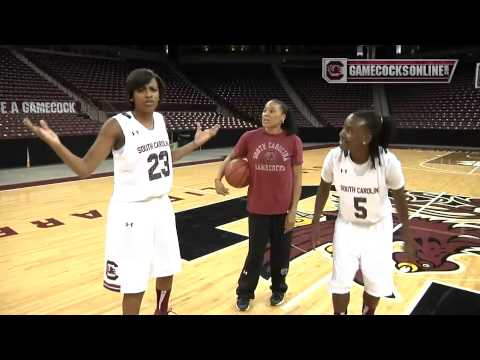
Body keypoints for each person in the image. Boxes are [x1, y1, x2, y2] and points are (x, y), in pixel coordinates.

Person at [24, 68, 220, 315]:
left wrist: (194, 143)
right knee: (134, 280)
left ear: (159, 94)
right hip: (132, 212)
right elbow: (85, 168)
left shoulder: (160, 120)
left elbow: (165, 158)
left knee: (166, 266)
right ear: (131, 95)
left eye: (153, 89)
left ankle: (162, 312)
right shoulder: (116, 125)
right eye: (141, 90)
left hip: (161, 206)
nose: (148, 95)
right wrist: (57, 144)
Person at [310, 110, 416, 315]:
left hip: (378, 229)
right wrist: (315, 222)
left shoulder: (387, 162)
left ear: (366, 138)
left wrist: (408, 237)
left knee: (374, 281)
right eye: (343, 128)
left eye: (349, 130)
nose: (341, 133)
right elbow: (323, 188)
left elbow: (401, 199)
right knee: (340, 281)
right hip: (346, 226)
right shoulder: (334, 157)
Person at [215, 99, 303, 311]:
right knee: (255, 254)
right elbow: (231, 156)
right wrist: (218, 178)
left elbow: (298, 178)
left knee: (281, 253)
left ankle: (278, 289)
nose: (266, 114)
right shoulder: (250, 137)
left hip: (283, 210)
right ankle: (244, 292)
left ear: (283, 117)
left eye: (272, 111)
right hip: (257, 208)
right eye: (264, 110)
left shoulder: (293, 141)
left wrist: (293, 210)